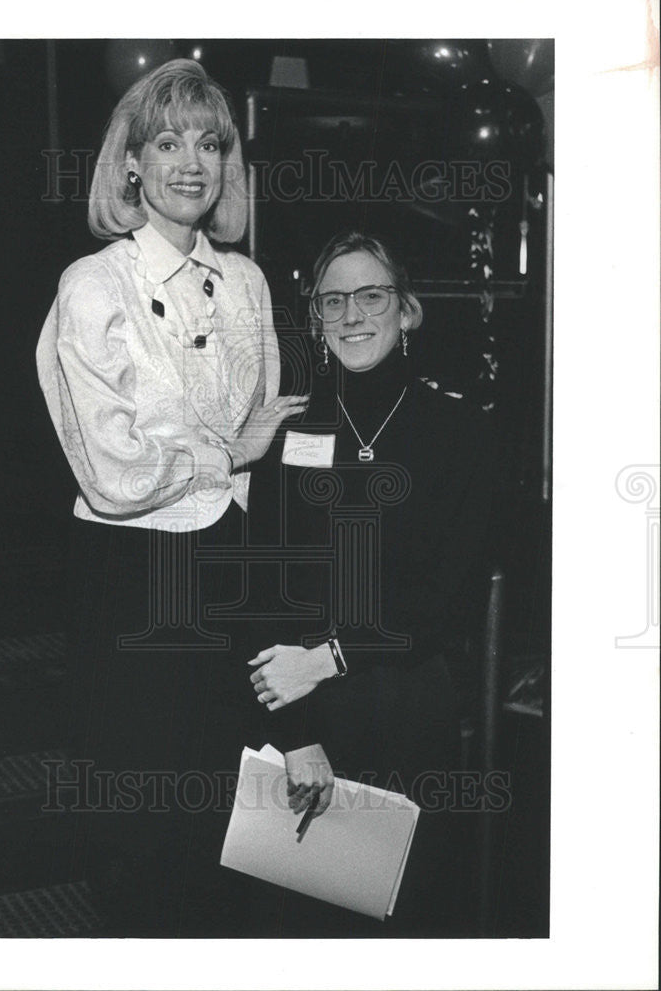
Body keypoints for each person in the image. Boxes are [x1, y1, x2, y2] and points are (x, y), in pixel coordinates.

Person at [36, 58, 306, 937]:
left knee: (229, 813)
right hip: (130, 574)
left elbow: (258, 453)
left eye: (210, 143)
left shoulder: (250, 283)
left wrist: (230, 465)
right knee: (141, 822)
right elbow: (112, 474)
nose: (191, 161)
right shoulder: (92, 284)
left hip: (228, 560)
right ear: (130, 165)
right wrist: (222, 455)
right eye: (167, 140)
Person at [244, 230, 494, 937]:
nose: (352, 314)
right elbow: (261, 590)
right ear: (317, 323)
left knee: (406, 921)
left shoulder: (458, 430)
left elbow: (449, 597)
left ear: (406, 310)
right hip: (303, 708)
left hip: (407, 698)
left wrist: (324, 659)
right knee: (303, 927)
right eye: (333, 301)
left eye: (371, 295)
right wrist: (291, 735)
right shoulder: (292, 430)